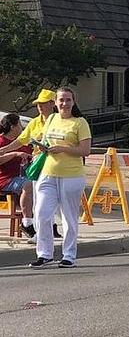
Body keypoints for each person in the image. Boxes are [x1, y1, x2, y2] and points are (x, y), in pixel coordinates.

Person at [30, 87, 92, 269]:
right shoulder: (51, 119)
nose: (64, 103)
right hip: (48, 173)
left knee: (69, 217)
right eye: (61, 100)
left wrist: (63, 149)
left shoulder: (80, 123)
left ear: (73, 102)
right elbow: (46, 141)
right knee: (41, 214)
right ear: (55, 103)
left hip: (71, 176)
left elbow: (85, 150)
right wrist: (42, 147)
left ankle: (69, 255)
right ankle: (44, 254)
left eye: (68, 100)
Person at [0, 89, 56, 239]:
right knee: (31, 187)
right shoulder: (33, 124)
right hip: (8, 178)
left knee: (49, 195)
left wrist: (28, 157)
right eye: (38, 104)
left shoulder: (59, 120)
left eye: (43, 103)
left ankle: (49, 225)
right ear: (13, 126)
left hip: (51, 165)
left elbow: (27, 148)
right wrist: (12, 153)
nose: (39, 106)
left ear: (52, 104)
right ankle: (29, 223)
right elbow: (20, 141)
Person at [0, 114, 33, 234]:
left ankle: (43, 222)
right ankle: (27, 222)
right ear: (12, 127)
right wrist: (15, 154)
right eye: (19, 124)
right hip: (5, 179)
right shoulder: (1, 141)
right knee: (28, 184)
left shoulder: (21, 142)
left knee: (41, 184)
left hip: (21, 175)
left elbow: (31, 155)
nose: (21, 128)